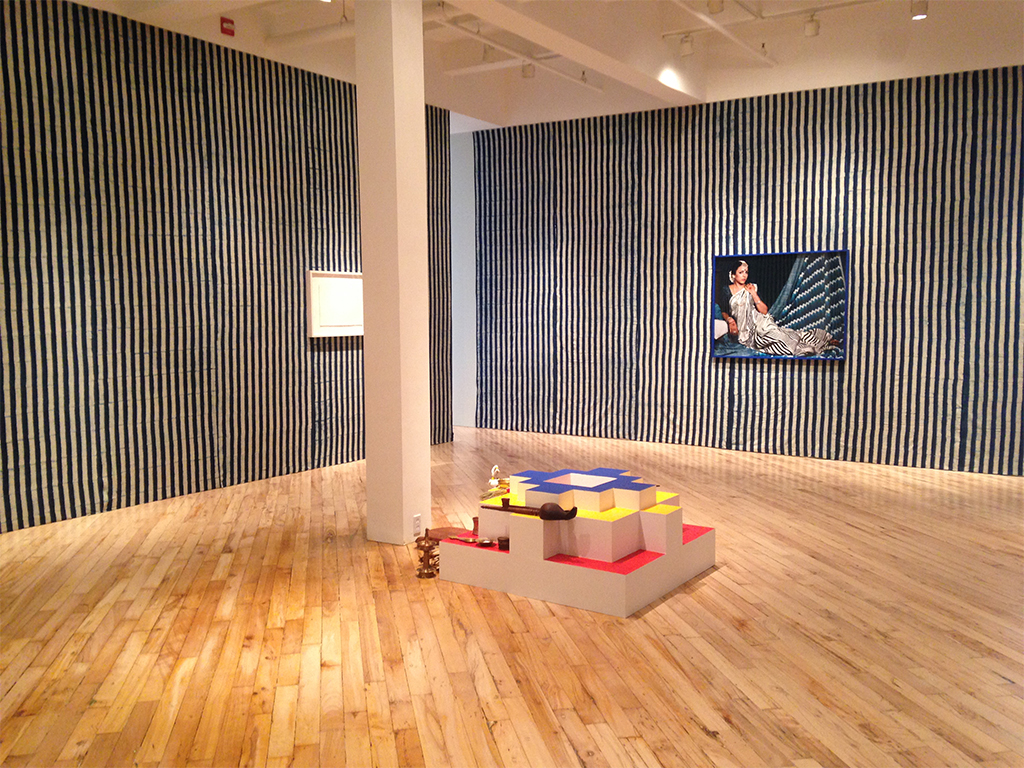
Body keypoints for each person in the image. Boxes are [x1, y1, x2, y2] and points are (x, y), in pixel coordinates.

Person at [719, 259, 839, 357]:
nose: (744, 275)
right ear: (733, 275)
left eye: (746, 272)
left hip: (761, 323)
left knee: (782, 335)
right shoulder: (726, 290)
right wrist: (729, 319)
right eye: (741, 272)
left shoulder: (752, 287)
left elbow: (764, 311)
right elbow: (724, 310)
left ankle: (821, 342)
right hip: (746, 332)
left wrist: (753, 293)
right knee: (778, 340)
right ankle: (814, 345)